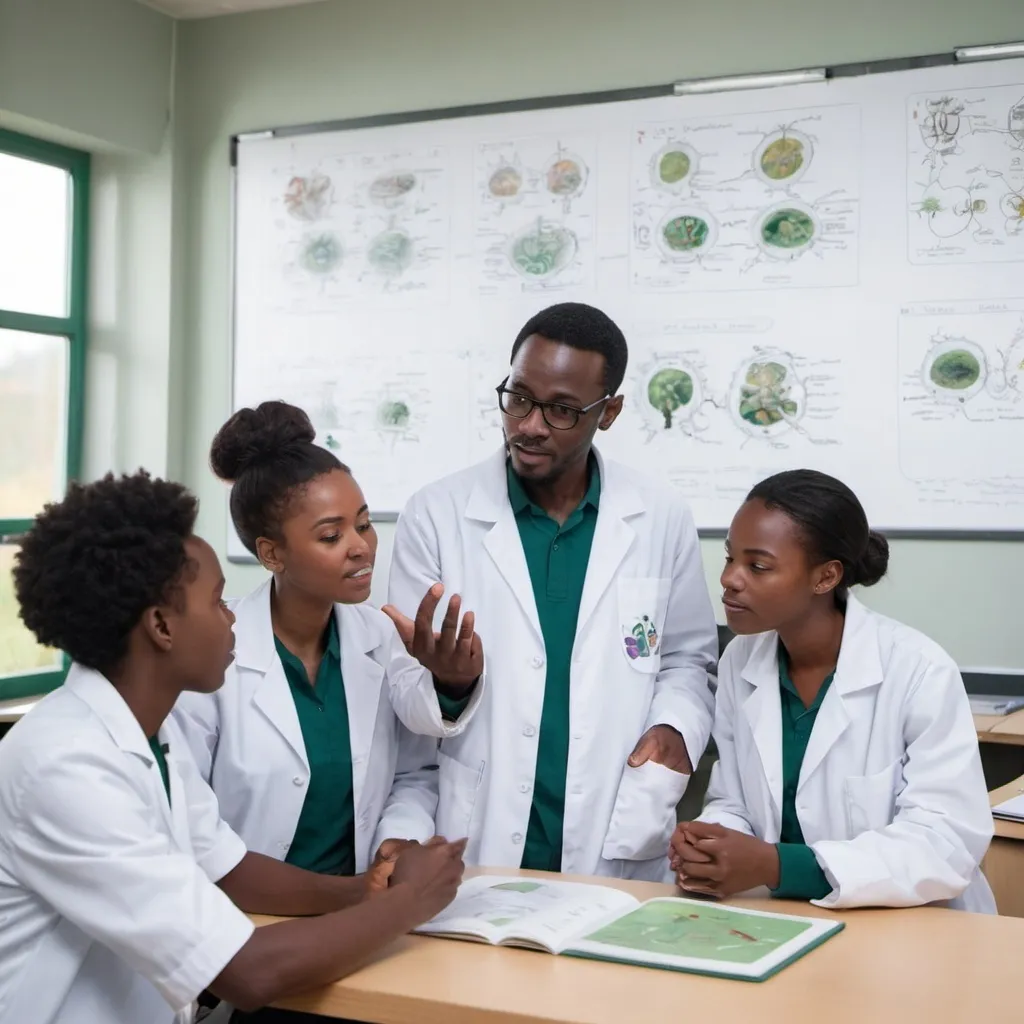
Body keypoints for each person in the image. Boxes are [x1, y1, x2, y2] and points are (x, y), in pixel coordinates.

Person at [0, 471, 466, 1024]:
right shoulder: (67, 766)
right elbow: (246, 973)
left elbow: (231, 866)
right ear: (161, 627)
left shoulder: (148, 733)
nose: (233, 619)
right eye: (219, 601)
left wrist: (366, 890)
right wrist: (407, 902)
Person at [172, 402, 484, 1023]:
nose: (361, 548)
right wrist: (363, 897)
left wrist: (396, 844)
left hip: (365, 939)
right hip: (254, 943)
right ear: (271, 553)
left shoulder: (378, 638)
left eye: (365, 525)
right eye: (331, 535)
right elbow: (196, 838)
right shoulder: (209, 662)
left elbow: (416, 771)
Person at [385, 302, 718, 881]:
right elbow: (404, 694)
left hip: (613, 828)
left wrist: (674, 731)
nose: (529, 425)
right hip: (482, 828)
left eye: (562, 410)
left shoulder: (659, 515)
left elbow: (689, 658)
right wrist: (450, 683)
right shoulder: (435, 515)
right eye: (518, 398)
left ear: (608, 412)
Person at [671, 469, 995, 912]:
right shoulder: (739, 661)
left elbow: (945, 843)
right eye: (730, 558)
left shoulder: (919, 670)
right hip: (786, 916)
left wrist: (775, 865)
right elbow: (735, 801)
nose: (730, 579)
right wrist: (711, 841)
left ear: (825, 578)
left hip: (911, 927)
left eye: (758, 566)